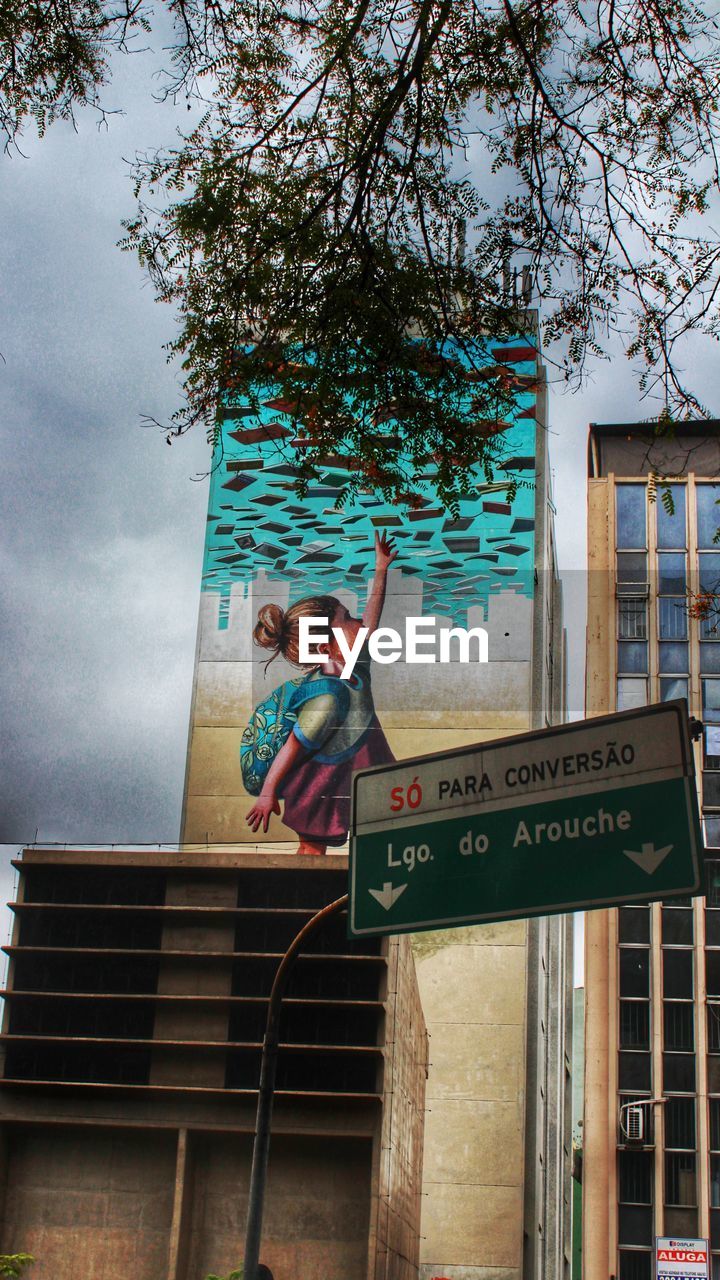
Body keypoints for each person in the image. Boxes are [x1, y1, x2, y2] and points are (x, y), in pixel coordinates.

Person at [246, 532, 397, 854]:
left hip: (354, 773)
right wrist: (268, 792)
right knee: (313, 850)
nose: (359, 622)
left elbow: (371, 617)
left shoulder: (355, 667)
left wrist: (381, 568)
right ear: (326, 647)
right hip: (321, 785)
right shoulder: (326, 697)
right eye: (347, 619)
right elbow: (292, 747)